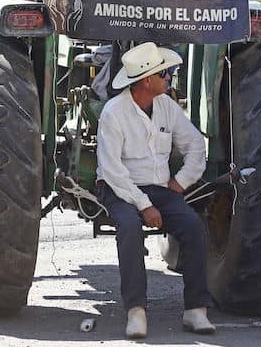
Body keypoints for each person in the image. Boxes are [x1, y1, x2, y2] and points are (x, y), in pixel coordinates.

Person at [95, 42, 214, 339]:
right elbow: (112, 171)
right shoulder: (114, 113)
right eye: (166, 74)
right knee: (129, 226)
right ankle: (136, 311)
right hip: (119, 189)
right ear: (147, 80)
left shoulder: (166, 106)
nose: (170, 78)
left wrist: (182, 182)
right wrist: (144, 204)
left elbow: (196, 145)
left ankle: (196, 310)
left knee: (193, 226)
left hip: (159, 188)